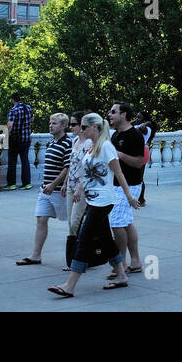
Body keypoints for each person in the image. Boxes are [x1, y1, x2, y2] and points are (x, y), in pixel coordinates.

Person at [47, 113, 141, 296]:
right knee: (106, 239)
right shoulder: (93, 146)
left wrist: (129, 196)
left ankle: (70, 285)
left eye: (83, 127)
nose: (80, 130)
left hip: (103, 201)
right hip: (92, 199)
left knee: (84, 239)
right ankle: (121, 275)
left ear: (95, 127)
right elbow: (88, 173)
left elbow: (119, 173)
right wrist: (80, 189)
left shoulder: (106, 147)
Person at [16, 112, 72, 266]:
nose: (50, 126)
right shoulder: (52, 142)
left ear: (63, 126)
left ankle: (80, 256)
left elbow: (67, 168)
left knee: (73, 224)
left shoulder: (68, 143)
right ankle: (35, 255)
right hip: (45, 190)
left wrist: (54, 184)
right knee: (41, 220)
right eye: (50, 123)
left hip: (59, 191)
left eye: (54, 123)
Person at [107, 102, 146, 277]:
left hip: (130, 185)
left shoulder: (135, 136)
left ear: (124, 115)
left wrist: (120, 155)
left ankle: (120, 263)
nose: (110, 114)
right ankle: (135, 261)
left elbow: (139, 162)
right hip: (116, 185)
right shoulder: (115, 135)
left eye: (113, 112)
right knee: (126, 221)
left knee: (116, 222)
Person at [62, 112, 92, 271]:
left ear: (82, 126)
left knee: (76, 222)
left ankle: (79, 259)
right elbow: (71, 165)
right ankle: (77, 258)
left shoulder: (89, 144)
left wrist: (80, 188)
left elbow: (88, 169)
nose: (70, 127)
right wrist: (65, 183)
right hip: (71, 187)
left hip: (82, 189)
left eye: (73, 124)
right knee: (71, 223)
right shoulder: (74, 141)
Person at [6, 93, 34, 190]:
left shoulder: (13, 110)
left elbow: (10, 125)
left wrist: (6, 135)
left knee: (12, 161)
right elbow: (32, 119)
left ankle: (11, 184)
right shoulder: (28, 108)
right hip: (26, 138)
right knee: (25, 160)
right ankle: (27, 183)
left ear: (13, 100)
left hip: (15, 139)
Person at [132, 111, 157, 205]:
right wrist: (135, 121)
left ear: (144, 120)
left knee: (139, 177)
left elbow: (142, 127)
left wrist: (148, 122)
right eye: (136, 117)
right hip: (135, 152)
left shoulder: (146, 128)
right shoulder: (136, 126)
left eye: (139, 117)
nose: (137, 119)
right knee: (134, 176)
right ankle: (136, 197)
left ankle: (141, 199)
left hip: (141, 153)